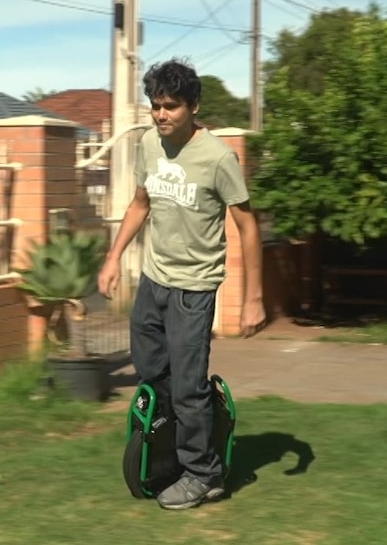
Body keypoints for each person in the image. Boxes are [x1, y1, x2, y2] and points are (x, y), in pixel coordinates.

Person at [98, 58, 266, 510]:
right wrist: (113, 257)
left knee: (187, 385)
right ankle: (182, 437)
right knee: (152, 370)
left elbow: (248, 225)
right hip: (154, 280)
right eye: (155, 106)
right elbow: (139, 204)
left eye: (170, 106)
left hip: (195, 288)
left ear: (193, 105)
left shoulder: (217, 157)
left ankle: (204, 473)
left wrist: (254, 298)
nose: (161, 115)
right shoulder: (149, 145)